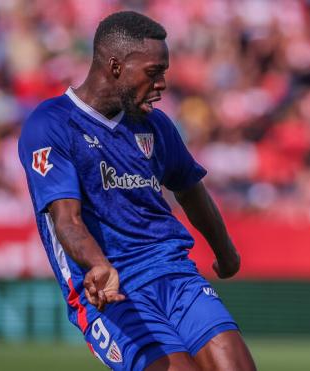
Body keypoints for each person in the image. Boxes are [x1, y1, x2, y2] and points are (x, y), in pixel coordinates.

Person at [18, 10, 256, 371]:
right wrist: (98, 265)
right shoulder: (51, 124)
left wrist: (227, 253)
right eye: (153, 73)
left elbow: (191, 189)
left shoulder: (156, 125)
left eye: (164, 72)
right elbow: (67, 220)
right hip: (111, 290)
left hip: (176, 275)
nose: (162, 83)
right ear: (116, 67)